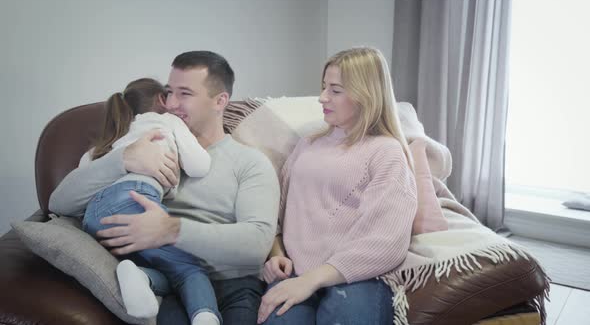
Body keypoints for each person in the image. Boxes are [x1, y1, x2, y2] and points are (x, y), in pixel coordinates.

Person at [49, 51, 280, 325]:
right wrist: (123, 159)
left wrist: (172, 230)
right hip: (163, 285)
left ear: (220, 101)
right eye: (169, 92)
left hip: (231, 286)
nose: (170, 104)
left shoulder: (249, 162)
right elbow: (58, 204)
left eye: (185, 94)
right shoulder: (141, 143)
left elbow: (255, 246)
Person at [256, 47, 418, 325]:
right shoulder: (307, 144)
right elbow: (277, 215)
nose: (322, 98)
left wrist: (313, 280)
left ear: (366, 95)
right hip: (293, 273)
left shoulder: (386, 152)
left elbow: (387, 241)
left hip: (357, 277)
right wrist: (276, 254)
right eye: (323, 87)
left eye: (335, 90)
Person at [80, 77, 221, 324]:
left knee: (167, 268)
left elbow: (82, 174)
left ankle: (139, 275)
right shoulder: (167, 121)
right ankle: (206, 317)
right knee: (191, 269)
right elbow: (199, 166)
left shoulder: (111, 138)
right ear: (161, 99)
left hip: (93, 216)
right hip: (135, 199)